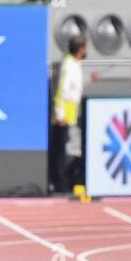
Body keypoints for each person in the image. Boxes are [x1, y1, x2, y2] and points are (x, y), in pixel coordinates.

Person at [50, 35, 95, 193]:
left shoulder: (74, 64)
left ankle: (64, 181)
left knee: (67, 150)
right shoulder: (68, 64)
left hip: (70, 115)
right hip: (63, 117)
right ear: (81, 49)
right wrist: (59, 113)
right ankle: (60, 184)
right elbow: (61, 91)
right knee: (63, 151)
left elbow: (75, 88)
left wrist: (90, 79)